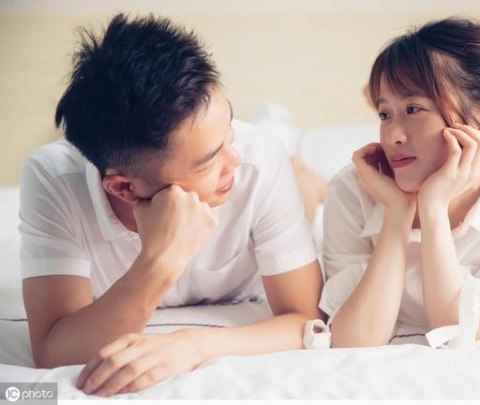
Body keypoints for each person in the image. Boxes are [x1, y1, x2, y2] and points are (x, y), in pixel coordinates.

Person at [19, 13, 324, 396]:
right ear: (123, 188)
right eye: (208, 162)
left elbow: (308, 320)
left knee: (301, 189)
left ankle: (302, 171)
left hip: (278, 166)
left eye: (229, 128)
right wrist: (159, 261)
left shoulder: (256, 158)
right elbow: (52, 352)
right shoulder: (54, 178)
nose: (234, 160)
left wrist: (192, 346)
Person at [318, 17, 480, 349]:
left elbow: (462, 335)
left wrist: (433, 208)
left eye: (413, 109)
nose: (393, 136)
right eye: (385, 114)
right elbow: (353, 342)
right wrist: (398, 214)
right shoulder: (352, 189)